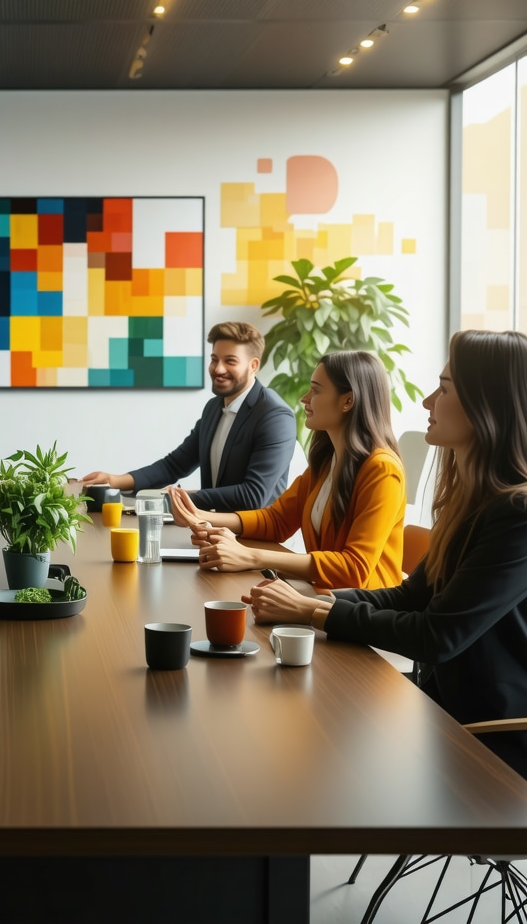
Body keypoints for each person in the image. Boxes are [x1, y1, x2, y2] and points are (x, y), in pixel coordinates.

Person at [246, 331, 527, 778]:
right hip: (441, 711)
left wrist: (313, 612)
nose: (427, 402)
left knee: (299, 753)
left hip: (488, 739)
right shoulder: (473, 504)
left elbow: (435, 636)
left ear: (486, 406)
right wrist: (314, 605)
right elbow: (408, 595)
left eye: (445, 389)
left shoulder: (518, 516)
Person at [170, 350, 405, 590]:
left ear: (348, 401)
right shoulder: (327, 462)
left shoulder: (382, 470)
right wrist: (203, 516)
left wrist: (250, 556)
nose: (305, 398)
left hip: (364, 611)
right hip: (326, 597)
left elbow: (354, 568)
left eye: (316, 390)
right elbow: (277, 520)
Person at [80, 322, 294, 511]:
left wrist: (179, 498)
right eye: (214, 359)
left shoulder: (275, 417)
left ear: (253, 365)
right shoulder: (214, 407)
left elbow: (253, 496)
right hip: (214, 530)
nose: (218, 369)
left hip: (256, 541)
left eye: (230, 361)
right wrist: (114, 480)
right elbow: (174, 465)